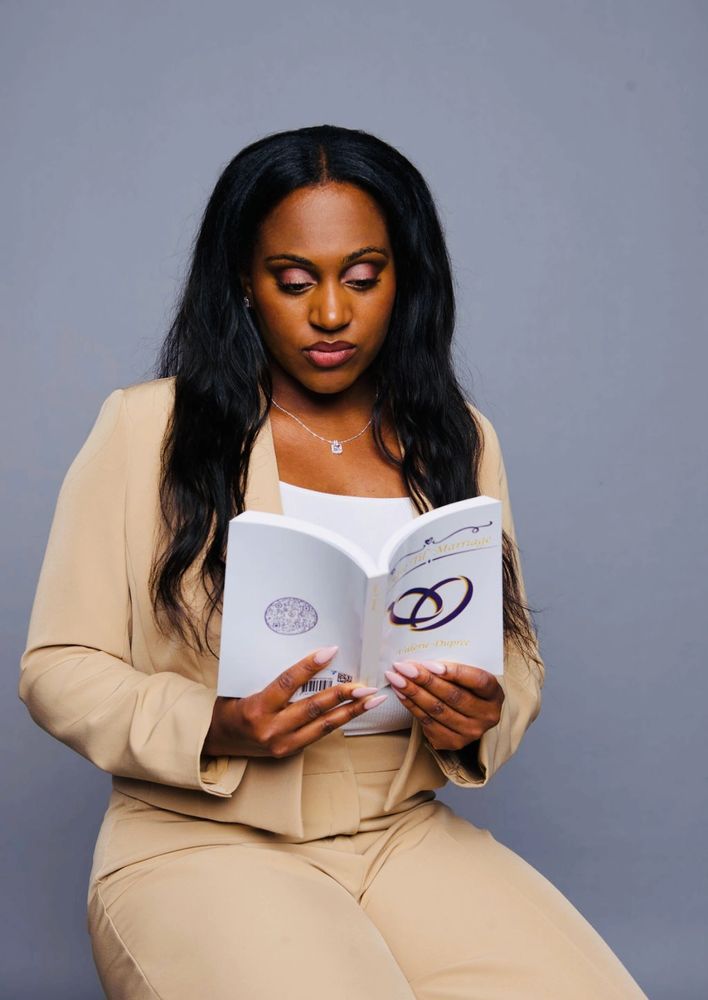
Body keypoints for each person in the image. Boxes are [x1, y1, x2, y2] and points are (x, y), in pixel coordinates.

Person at [18, 124, 648, 999]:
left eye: (362, 277)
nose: (329, 315)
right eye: (293, 280)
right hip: (202, 839)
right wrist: (215, 724)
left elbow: (514, 655)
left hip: (400, 831)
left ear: (404, 279)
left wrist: (478, 713)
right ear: (244, 280)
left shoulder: (457, 438)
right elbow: (58, 667)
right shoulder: (148, 429)